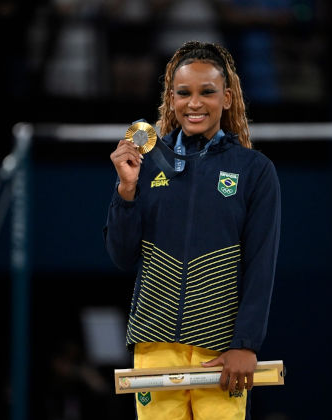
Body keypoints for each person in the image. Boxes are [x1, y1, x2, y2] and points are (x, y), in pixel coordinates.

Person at [104, 40, 281, 419]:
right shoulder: (147, 163)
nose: (195, 103)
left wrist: (245, 344)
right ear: (171, 99)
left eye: (208, 92)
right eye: (184, 93)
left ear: (228, 98)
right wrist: (126, 190)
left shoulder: (254, 170)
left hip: (220, 349)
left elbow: (260, 264)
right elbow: (121, 256)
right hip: (154, 344)